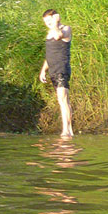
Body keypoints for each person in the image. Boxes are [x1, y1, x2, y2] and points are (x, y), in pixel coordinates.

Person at [39, 9, 73, 137]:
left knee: (63, 100)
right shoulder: (49, 33)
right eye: (45, 22)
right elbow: (49, 55)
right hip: (52, 70)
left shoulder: (65, 29)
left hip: (61, 69)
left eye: (49, 20)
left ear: (55, 18)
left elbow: (59, 36)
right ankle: (68, 130)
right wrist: (43, 70)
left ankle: (67, 130)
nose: (47, 23)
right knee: (61, 100)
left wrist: (56, 23)